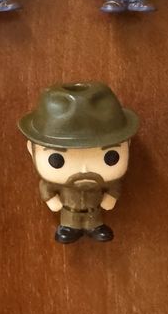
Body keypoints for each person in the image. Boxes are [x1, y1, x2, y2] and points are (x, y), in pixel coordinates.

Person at [19, 82, 138, 244]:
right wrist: (52, 201)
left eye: (110, 157)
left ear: (128, 145)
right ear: (31, 149)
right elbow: (46, 187)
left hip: (94, 211)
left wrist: (110, 198)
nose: (84, 169)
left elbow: (114, 187)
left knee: (93, 219)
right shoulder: (56, 183)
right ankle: (69, 228)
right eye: (57, 160)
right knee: (70, 221)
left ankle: (95, 227)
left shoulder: (107, 182)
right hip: (69, 211)